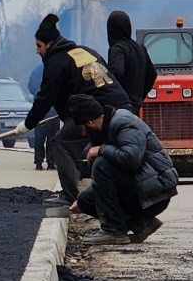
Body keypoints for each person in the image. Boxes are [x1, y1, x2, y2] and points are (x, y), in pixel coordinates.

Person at [15, 13, 131, 208]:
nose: (37, 51)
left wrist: (28, 125)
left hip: (98, 113)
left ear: (50, 43)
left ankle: (70, 197)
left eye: (39, 46)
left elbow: (45, 97)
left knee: (62, 143)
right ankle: (108, 202)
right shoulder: (84, 51)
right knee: (104, 159)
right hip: (121, 106)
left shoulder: (56, 61)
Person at [67, 93, 178, 245]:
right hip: (141, 186)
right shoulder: (106, 129)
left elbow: (131, 159)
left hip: (156, 188)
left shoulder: (123, 122)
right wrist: (82, 200)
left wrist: (102, 149)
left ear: (90, 122)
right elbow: (109, 180)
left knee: (101, 164)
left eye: (83, 128)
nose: (83, 133)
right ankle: (141, 224)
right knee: (85, 200)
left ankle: (113, 231)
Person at [106, 10, 157, 113]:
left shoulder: (117, 49)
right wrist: (139, 96)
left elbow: (117, 72)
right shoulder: (140, 48)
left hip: (120, 107)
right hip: (136, 105)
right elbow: (152, 74)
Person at [28, 62, 57, 170]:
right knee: (52, 137)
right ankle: (51, 162)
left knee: (39, 137)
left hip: (39, 107)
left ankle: (38, 162)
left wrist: (37, 94)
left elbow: (30, 86)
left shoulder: (36, 71)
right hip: (53, 108)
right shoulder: (56, 67)